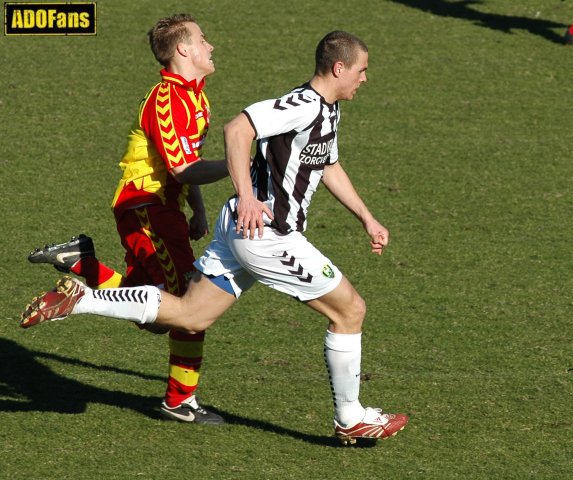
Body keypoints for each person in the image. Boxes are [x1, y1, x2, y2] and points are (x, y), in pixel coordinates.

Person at [22, 30, 408, 445]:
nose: (365, 78)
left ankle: (82, 299)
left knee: (190, 316)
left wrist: (367, 217)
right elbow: (238, 129)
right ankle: (350, 417)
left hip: (243, 231)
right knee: (350, 310)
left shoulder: (328, 112)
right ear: (339, 68)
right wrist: (246, 197)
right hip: (269, 234)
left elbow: (327, 164)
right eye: (362, 70)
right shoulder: (301, 105)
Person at [26, 13, 229, 425]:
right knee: (190, 305)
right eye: (203, 39)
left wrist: (200, 209)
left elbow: (187, 162)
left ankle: (82, 262)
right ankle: (179, 401)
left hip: (162, 209)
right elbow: (182, 169)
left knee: (161, 309)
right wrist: (238, 164)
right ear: (183, 50)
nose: (211, 46)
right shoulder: (167, 100)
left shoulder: (197, 97)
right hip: (146, 208)